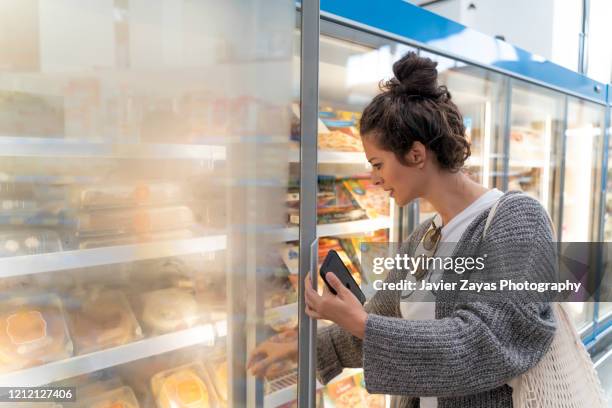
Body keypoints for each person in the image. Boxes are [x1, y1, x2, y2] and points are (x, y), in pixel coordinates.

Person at [248, 52, 556, 408]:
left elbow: (490, 342)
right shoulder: (425, 237)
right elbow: (384, 319)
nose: (374, 179)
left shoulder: (517, 219)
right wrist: (303, 345)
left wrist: (363, 324)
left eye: (378, 164)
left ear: (416, 154)